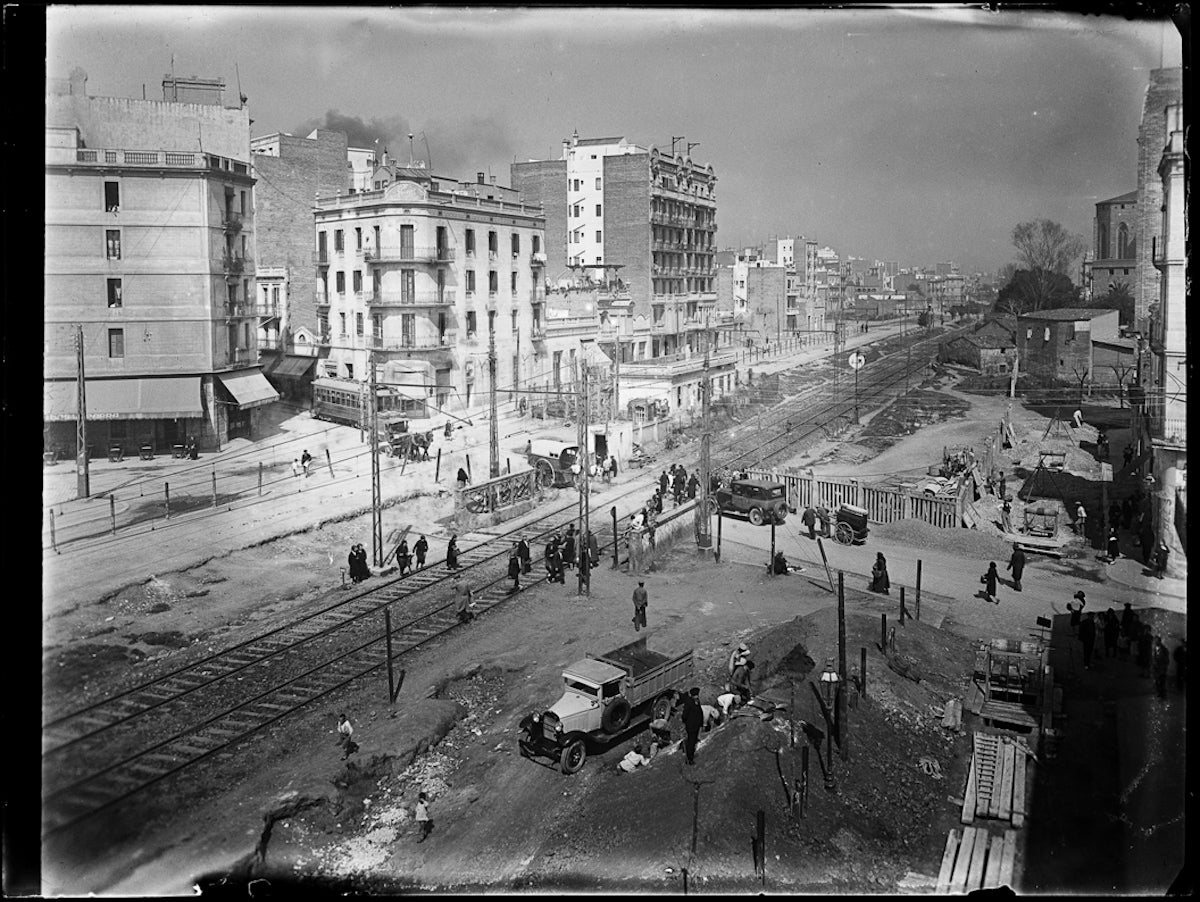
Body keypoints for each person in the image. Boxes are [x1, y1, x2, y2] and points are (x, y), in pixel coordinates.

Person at [679, 687, 704, 766]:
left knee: (693, 741)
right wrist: (684, 721)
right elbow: (685, 714)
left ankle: (691, 755)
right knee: (691, 742)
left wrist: (701, 723)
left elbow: (700, 712)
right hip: (691, 726)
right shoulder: (689, 702)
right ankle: (689, 758)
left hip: (696, 725)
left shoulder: (696, 701)